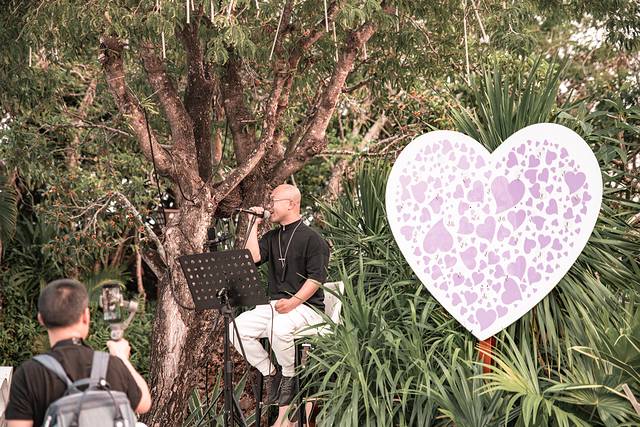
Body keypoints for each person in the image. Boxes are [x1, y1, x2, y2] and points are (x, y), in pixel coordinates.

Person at [230, 184, 330, 412]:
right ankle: (271, 373)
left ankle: (289, 377)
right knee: (235, 329)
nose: (269, 206)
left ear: (291, 204)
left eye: (273, 200)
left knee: (278, 328)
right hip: (276, 306)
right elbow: (252, 258)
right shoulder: (272, 236)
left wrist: (294, 302)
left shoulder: (313, 239)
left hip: (307, 308)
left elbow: (316, 279)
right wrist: (253, 224)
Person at [4, 279, 152, 427]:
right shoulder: (112, 365)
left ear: (41, 319)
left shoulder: (28, 374)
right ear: (86, 316)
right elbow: (144, 404)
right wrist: (122, 358)